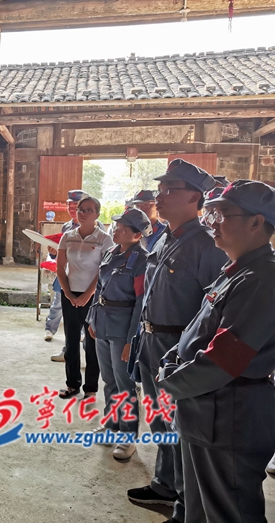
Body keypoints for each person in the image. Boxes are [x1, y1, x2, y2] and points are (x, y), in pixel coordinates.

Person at [157, 179, 275, 522]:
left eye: (223, 215)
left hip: (229, 419)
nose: (213, 224)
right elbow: (198, 332)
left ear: (256, 222)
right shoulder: (235, 272)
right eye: (212, 215)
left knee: (228, 512)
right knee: (198, 510)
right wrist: (171, 360)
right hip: (205, 414)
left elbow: (224, 359)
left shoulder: (261, 279)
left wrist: (169, 383)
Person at [126, 159, 228, 523]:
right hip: (151, 340)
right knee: (159, 421)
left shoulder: (207, 245)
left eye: (170, 189)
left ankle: (186, 506)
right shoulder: (164, 237)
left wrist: (192, 354)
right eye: (160, 189)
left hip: (179, 346)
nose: (160, 196)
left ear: (195, 197)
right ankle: (165, 484)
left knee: (179, 426)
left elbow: (214, 310)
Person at [87, 208, 150, 461]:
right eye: (117, 226)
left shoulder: (142, 260)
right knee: (109, 380)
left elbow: (140, 302)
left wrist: (131, 340)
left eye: (123, 229)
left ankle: (128, 436)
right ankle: (111, 425)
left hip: (123, 328)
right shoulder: (112, 253)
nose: (116, 230)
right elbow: (99, 288)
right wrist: (92, 319)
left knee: (125, 384)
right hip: (103, 323)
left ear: (137, 235)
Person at [56, 195, 113, 399]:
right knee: (71, 341)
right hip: (70, 294)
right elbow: (60, 268)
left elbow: (103, 271)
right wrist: (68, 293)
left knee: (92, 342)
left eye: (89, 210)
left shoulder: (104, 239)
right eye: (81, 209)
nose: (83, 213)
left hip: (94, 297)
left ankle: (91, 388)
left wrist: (88, 295)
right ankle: (72, 385)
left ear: (97, 214)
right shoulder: (68, 236)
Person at [45, 190, 84, 351]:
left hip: (85, 276)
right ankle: (50, 328)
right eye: (70, 206)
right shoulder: (66, 227)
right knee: (59, 302)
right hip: (67, 272)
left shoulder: (96, 228)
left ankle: (81, 334)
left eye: (76, 205)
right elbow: (60, 252)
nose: (72, 209)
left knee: (84, 307)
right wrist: (53, 253)